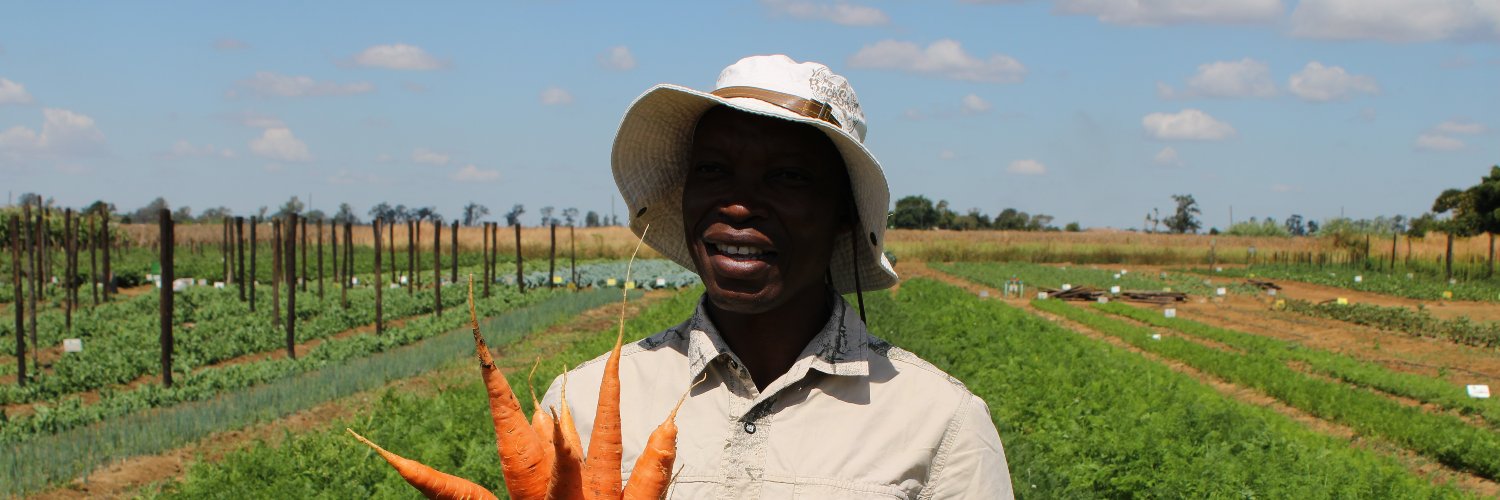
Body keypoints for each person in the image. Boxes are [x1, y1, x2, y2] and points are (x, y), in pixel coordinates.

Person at [541, 54, 1013, 499]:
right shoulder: (578, 407)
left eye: (788, 176)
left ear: (844, 212)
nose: (738, 205)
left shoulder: (941, 423)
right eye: (712, 170)